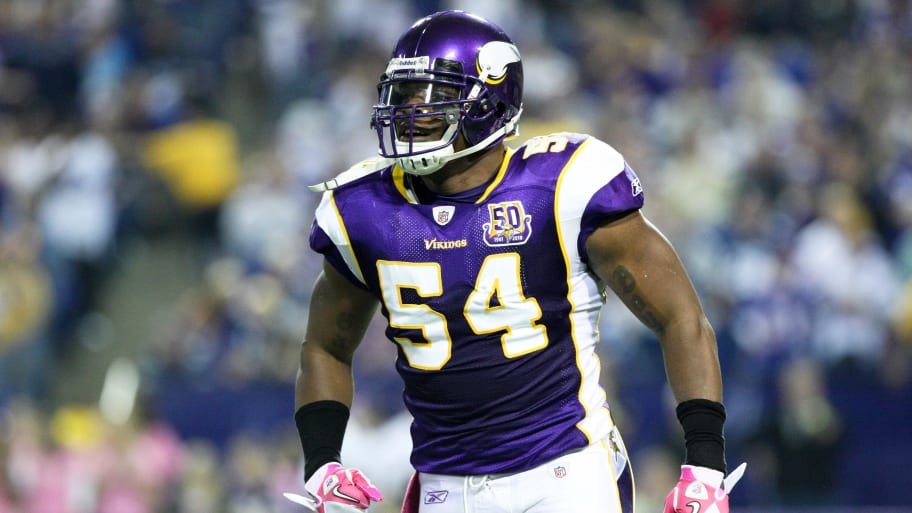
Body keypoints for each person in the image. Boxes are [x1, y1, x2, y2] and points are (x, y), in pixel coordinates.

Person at [287, 10, 745, 513]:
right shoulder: (364, 208)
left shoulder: (561, 185)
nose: (411, 111)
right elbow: (326, 346)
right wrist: (322, 462)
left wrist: (704, 463)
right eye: (404, 95)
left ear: (489, 99)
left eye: (432, 95)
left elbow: (680, 317)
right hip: (445, 481)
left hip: (565, 469)